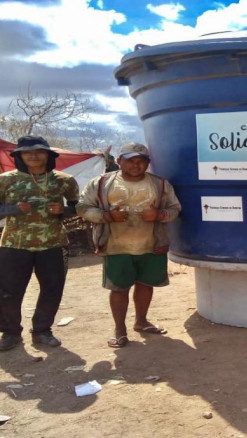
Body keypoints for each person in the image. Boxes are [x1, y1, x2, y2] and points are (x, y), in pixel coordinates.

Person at [77, 142, 181, 348]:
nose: (136, 165)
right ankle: (120, 330)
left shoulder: (160, 184)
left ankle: (141, 322)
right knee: (119, 288)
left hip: (152, 244)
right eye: (131, 160)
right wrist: (107, 216)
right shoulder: (102, 183)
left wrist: (158, 215)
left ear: (147, 163)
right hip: (116, 246)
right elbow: (82, 207)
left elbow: (175, 209)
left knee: (146, 284)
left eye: (142, 161)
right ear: (119, 161)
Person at [0, 135, 79, 351]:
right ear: (19, 156)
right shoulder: (5, 180)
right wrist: (12, 209)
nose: (33, 156)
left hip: (53, 243)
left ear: (48, 155)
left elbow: (79, 208)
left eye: (39, 151)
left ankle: (42, 331)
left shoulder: (64, 180)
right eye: (27, 152)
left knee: (52, 289)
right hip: (14, 245)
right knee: (8, 291)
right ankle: (10, 333)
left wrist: (65, 210)